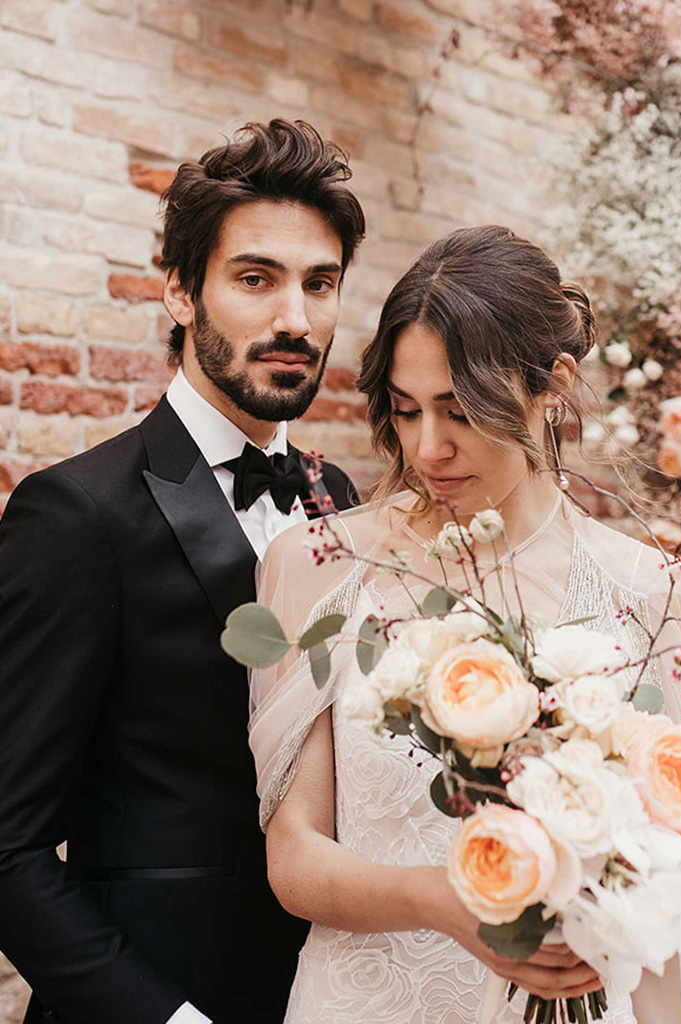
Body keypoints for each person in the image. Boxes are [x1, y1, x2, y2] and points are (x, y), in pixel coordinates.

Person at [249, 225, 681, 1023]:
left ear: (551, 385)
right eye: (406, 409)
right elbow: (293, 858)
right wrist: (447, 900)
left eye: (460, 410)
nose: (428, 447)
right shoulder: (320, 563)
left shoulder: (662, 597)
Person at [0, 119, 364, 1024]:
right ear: (179, 291)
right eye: (255, 279)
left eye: (320, 284)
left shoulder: (340, 493)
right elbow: (5, 847)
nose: (295, 319)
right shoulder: (76, 514)